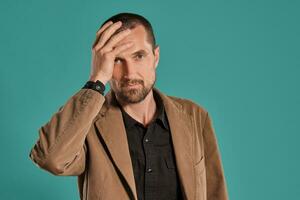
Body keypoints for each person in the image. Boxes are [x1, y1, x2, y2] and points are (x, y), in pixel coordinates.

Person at [29, 12, 229, 200]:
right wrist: (97, 79)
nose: (130, 72)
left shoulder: (195, 116)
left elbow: (215, 192)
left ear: (155, 57)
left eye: (139, 56)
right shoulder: (87, 123)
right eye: (116, 60)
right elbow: (50, 159)